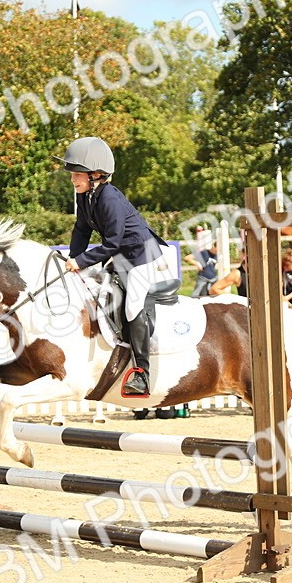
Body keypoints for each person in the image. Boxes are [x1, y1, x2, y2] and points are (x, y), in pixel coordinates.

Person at [61, 136, 176, 398]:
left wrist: (80, 262)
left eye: (77, 174)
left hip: (141, 255)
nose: (73, 179)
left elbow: (111, 243)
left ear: (96, 174)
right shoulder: (86, 196)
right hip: (122, 255)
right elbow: (81, 229)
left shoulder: (110, 198)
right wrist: (74, 259)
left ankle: (142, 374)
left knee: (133, 305)